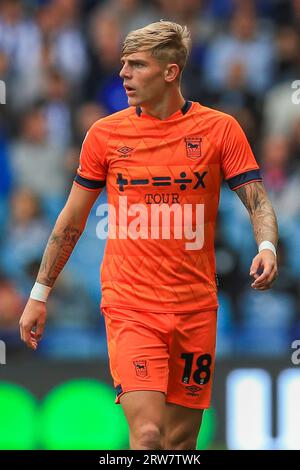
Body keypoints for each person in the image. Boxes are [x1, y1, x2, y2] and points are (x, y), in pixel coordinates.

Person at [19, 21, 278, 450]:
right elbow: (71, 220)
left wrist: (266, 246)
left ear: (170, 72)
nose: (123, 74)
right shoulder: (105, 135)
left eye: (137, 65)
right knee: (148, 435)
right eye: (123, 64)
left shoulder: (219, 130)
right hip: (131, 305)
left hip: (196, 308)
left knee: (180, 444)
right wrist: (39, 294)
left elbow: (258, 201)